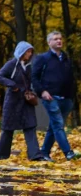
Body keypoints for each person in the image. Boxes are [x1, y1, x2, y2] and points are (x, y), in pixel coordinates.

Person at [0, 41, 49, 161]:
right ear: (22, 52)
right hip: (12, 102)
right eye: (28, 51)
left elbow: (34, 80)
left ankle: (35, 155)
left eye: (31, 52)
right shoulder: (11, 64)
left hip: (26, 101)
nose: (30, 54)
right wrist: (12, 84)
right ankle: (1, 155)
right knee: (8, 129)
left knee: (30, 126)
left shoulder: (30, 66)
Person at [32, 31, 77, 160]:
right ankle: (68, 153)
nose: (59, 41)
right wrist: (42, 92)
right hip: (51, 98)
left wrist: (72, 95)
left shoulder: (66, 58)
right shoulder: (43, 58)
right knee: (58, 125)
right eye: (55, 39)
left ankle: (44, 152)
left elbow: (71, 78)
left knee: (54, 126)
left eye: (60, 39)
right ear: (49, 42)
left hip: (66, 99)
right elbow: (34, 78)